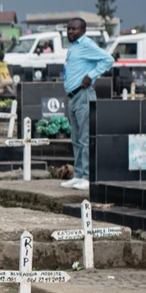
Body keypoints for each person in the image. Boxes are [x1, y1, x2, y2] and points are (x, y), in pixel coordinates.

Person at [60, 18, 114, 191]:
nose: (70, 32)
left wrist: (91, 75)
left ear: (83, 30)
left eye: (73, 29)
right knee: (75, 138)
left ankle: (87, 176)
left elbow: (108, 59)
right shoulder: (73, 46)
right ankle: (78, 174)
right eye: (68, 29)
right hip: (73, 96)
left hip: (84, 95)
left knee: (84, 137)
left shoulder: (86, 44)